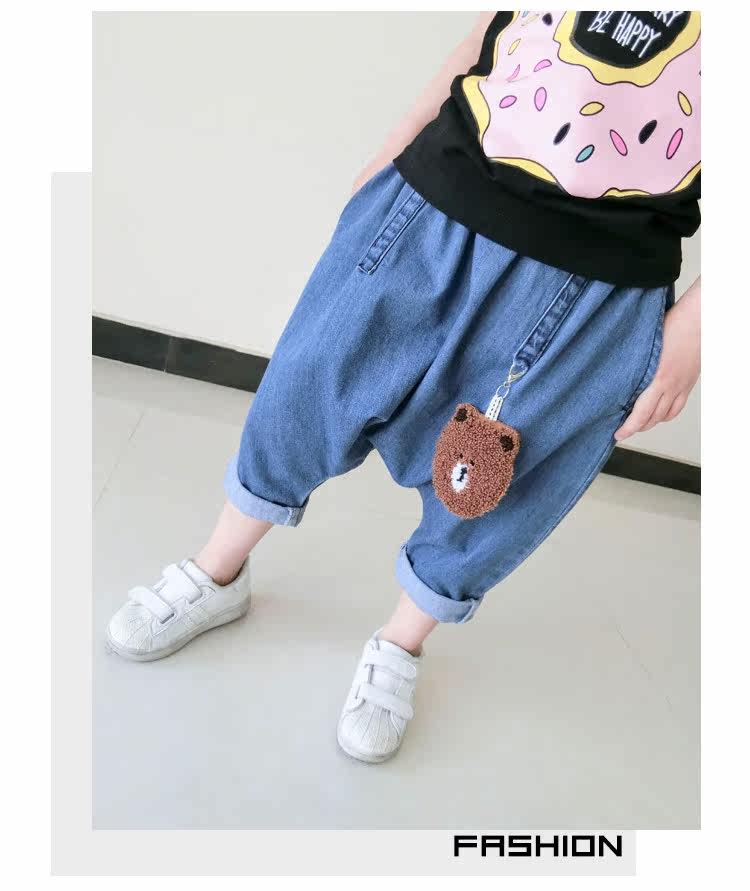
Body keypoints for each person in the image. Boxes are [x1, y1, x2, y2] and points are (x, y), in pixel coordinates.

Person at [105, 11, 701, 764]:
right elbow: (493, 30)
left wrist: (697, 329)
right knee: (310, 385)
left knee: (503, 486)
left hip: (598, 286)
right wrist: (394, 146)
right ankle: (217, 569)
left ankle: (401, 643)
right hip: (434, 202)